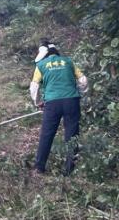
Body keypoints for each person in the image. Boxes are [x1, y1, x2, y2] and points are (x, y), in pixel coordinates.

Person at [30, 40, 88, 175]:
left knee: (47, 134)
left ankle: (39, 167)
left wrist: (38, 102)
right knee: (72, 135)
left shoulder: (41, 65)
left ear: (43, 55)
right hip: (72, 101)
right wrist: (79, 92)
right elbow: (83, 81)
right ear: (57, 52)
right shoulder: (68, 61)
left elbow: (34, 87)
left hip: (52, 104)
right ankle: (69, 170)